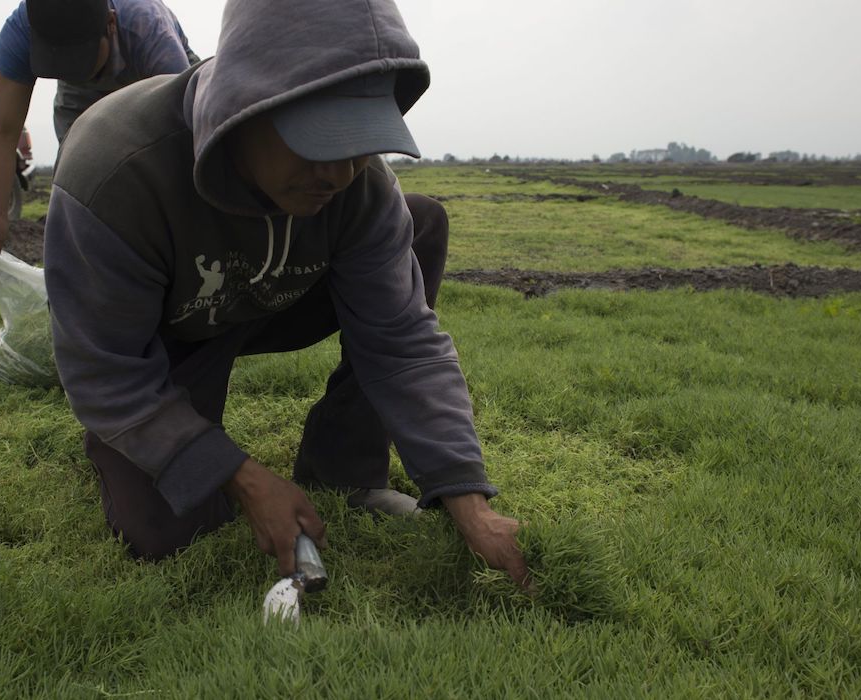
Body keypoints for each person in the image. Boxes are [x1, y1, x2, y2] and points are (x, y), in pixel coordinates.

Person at [43, 0, 529, 586]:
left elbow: (401, 340)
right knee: (167, 529)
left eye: (359, 143)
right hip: (172, 326)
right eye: (318, 140)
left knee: (418, 221)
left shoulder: (360, 187)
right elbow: (103, 369)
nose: (339, 175)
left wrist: (468, 502)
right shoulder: (114, 168)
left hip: (278, 296)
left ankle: (344, 471)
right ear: (243, 107)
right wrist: (242, 477)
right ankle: (128, 442)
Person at [0, 0, 199, 260]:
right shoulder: (22, 30)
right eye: (58, 60)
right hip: (80, 94)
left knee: (170, 178)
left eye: (77, 58)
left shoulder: (147, 27)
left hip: (159, 77)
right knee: (78, 176)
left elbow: (180, 129)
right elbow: (2, 131)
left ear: (110, 24)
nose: (68, 67)